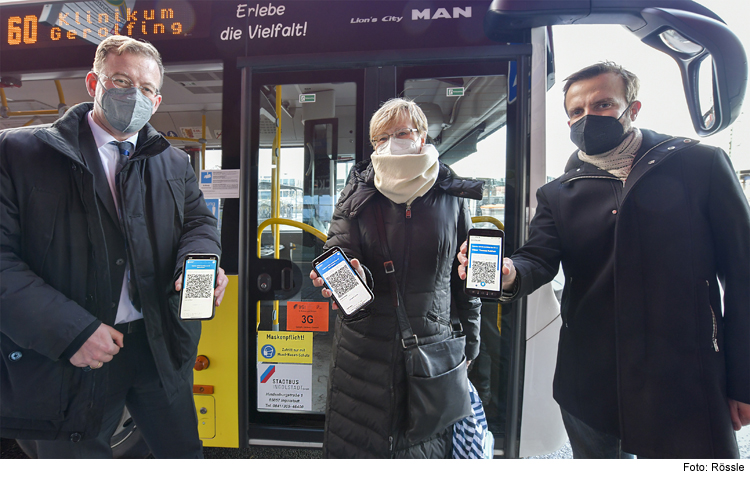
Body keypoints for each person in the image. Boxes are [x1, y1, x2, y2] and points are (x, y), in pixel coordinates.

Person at [458, 61, 750, 459]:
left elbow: (743, 277)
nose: (587, 118)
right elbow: (537, 260)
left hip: (687, 379)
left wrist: (742, 381)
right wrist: (507, 274)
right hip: (589, 387)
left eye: (602, 105)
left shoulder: (701, 166)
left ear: (634, 108)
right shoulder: (559, 193)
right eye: (576, 112)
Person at [0, 36, 227, 458]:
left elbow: (198, 222)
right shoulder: (17, 153)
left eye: (145, 89)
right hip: (70, 355)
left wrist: (201, 262)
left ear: (157, 102)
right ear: (93, 83)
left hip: (158, 345)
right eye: (121, 81)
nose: (133, 95)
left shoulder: (174, 162)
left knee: (184, 458)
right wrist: (72, 332)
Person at [309, 98, 482, 458]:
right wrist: (350, 277)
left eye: (401, 132)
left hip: (434, 345)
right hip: (363, 347)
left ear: (421, 136)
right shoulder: (357, 193)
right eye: (381, 137)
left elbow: (464, 275)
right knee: (360, 447)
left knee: (423, 450)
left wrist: (472, 340)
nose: (391, 142)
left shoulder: (452, 196)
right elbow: (338, 250)